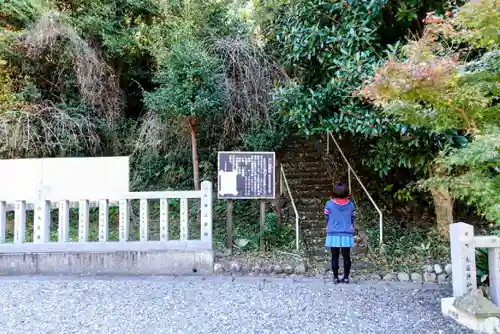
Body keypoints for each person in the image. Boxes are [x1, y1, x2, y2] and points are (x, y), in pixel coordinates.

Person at [324, 183, 356, 284]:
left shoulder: (329, 204)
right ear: (346, 192)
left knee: (334, 256)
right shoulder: (351, 204)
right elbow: (353, 217)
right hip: (347, 233)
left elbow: (326, 217)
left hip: (333, 233)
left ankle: (336, 277)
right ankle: (346, 277)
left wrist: (329, 225)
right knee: (346, 256)